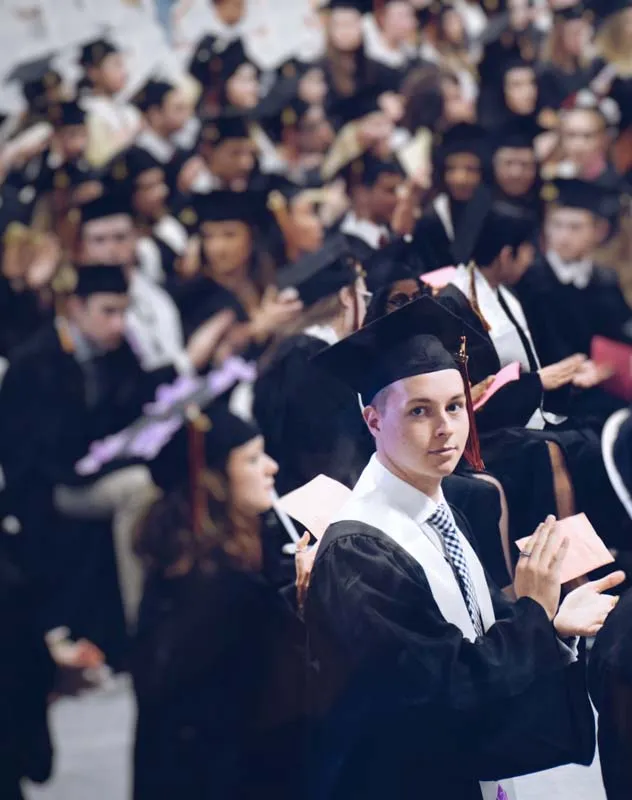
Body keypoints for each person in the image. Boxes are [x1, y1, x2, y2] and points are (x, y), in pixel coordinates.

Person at [305, 293, 622, 800]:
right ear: (373, 422)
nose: (446, 428)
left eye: (455, 406)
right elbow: (440, 690)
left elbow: (477, 628)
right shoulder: (360, 549)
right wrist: (533, 613)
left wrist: (550, 624)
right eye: (419, 411)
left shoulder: (439, 504)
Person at [0, 264, 225, 627]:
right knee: (136, 488)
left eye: (124, 311)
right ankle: (142, 621)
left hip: (105, 463)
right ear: (75, 308)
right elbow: (31, 453)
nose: (119, 323)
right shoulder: (35, 362)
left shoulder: (118, 350)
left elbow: (134, 405)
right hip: (53, 486)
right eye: (108, 311)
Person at [132, 404, 304, 800]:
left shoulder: (186, 567)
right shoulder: (219, 592)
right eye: (252, 459)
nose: (271, 467)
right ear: (213, 480)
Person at [253, 235, 372, 496]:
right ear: (346, 297)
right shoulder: (316, 363)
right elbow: (330, 457)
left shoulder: (290, 353)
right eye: (364, 297)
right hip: (319, 507)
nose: (366, 307)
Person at [515, 178, 632, 365]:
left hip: (600, 380)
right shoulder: (530, 279)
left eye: (575, 227)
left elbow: (619, 331)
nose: (564, 236)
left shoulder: (605, 279)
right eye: (557, 225)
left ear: (599, 231)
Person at [172, 189, 302, 347]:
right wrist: (257, 328)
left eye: (229, 235)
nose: (216, 248)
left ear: (251, 238)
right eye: (208, 236)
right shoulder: (194, 297)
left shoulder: (265, 279)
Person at [78, 38, 141, 167]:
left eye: (122, 65)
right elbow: (98, 159)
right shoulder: (87, 111)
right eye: (116, 65)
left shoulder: (127, 108)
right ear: (93, 72)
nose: (124, 72)